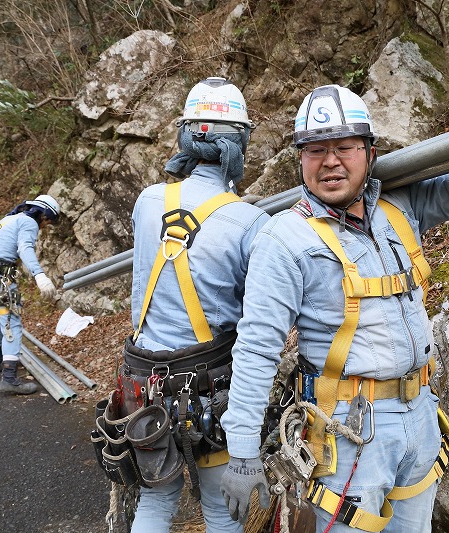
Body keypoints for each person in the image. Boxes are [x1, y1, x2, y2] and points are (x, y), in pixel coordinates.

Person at [219, 76, 449, 531]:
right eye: (314, 150)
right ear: (299, 159)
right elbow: (256, 348)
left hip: (421, 412)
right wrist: (243, 450)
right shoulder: (283, 240)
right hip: (347, 433)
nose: (330, 162)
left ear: (369, 151)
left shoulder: (399, 209)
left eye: (344, 147)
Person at [125, 77, 270, 533]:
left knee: (154, 499)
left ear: (186, 136)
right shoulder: (251, 222)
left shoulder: (149, 202)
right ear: (241, 141)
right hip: (211, 385)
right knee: (218, 507)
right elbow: (254, 309)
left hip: (142, 381)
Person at [0, 194, 60, 394]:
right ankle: (9, 379)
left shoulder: (6, 219)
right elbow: (25, 248)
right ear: (43, 214)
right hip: (2, 279)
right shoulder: (28, 222)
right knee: (12, 324)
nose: (46, 226)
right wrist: (39, 275)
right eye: (48, 221)